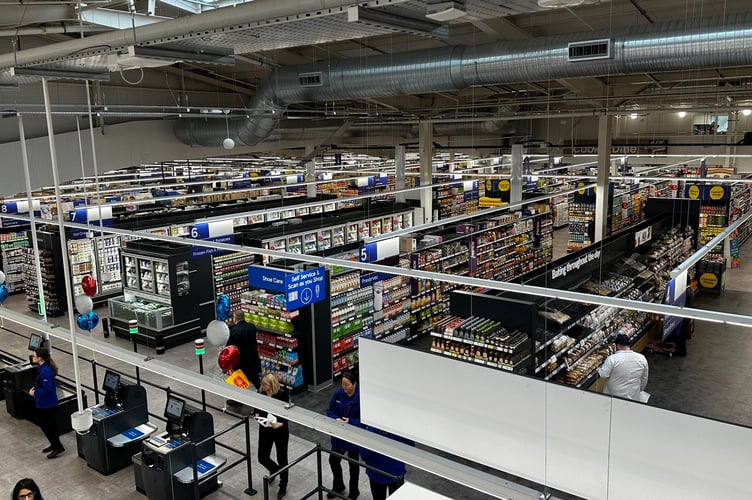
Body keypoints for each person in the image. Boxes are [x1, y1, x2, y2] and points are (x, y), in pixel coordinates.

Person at [326, 371, 361, 500]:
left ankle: (354, 492)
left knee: (353, 466)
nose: (344, 387)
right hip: (339, 436)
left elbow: (365, 420)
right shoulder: (338, 394)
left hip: (353, 438)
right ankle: (338, 486)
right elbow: (329, 410)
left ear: (354, 384)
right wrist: (336, 419)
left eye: (347, 384)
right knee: (333, 460)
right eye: (342, 384)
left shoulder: (361, 398)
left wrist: (351, 422)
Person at [254, 373, 289, 499]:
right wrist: (256, 415)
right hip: (265, 430)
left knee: (282, 458)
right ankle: (274, 469)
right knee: (262, 457)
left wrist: (281, 423)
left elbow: (287, 413)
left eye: (265, 384)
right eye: (262, 384)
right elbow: (256, 409)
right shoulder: (260, 393)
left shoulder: (282, 394)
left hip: (280, 431)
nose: (262, 386)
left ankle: (283, 485)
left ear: (271, 385)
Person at [28, 348, 64, 458]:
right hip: (43, 402)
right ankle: (54, 444)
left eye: (34, 356)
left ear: (40, 358)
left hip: (47, 403)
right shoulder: (41, 368)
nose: (32, 357)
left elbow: (47, 389)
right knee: (48, 424)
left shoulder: (46, 371)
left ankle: (57, 446)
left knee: (47, 425)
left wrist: (35, 393)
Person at [360, 427, 414, 500]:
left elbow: (364, 454)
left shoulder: (371, 430)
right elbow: (411, 447)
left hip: (376, 472)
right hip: (396, 471)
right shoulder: (401, 429)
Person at [598, 334, 649, 401]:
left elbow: (603, 374)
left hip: (612, 396)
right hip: (633, 396)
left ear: (618, 345)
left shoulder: (612, 359)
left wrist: (599, 368)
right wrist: (639, 390)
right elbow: (644, 379)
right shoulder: (642, 358)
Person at [227, 310, 262, 390]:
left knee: (239, 380)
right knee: (255, 379)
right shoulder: (252, 326)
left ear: (234, 318)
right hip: (252, 359)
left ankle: (240, 399)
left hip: (241, 362)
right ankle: (263, 393)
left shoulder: (234, 331)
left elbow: (232, 348)